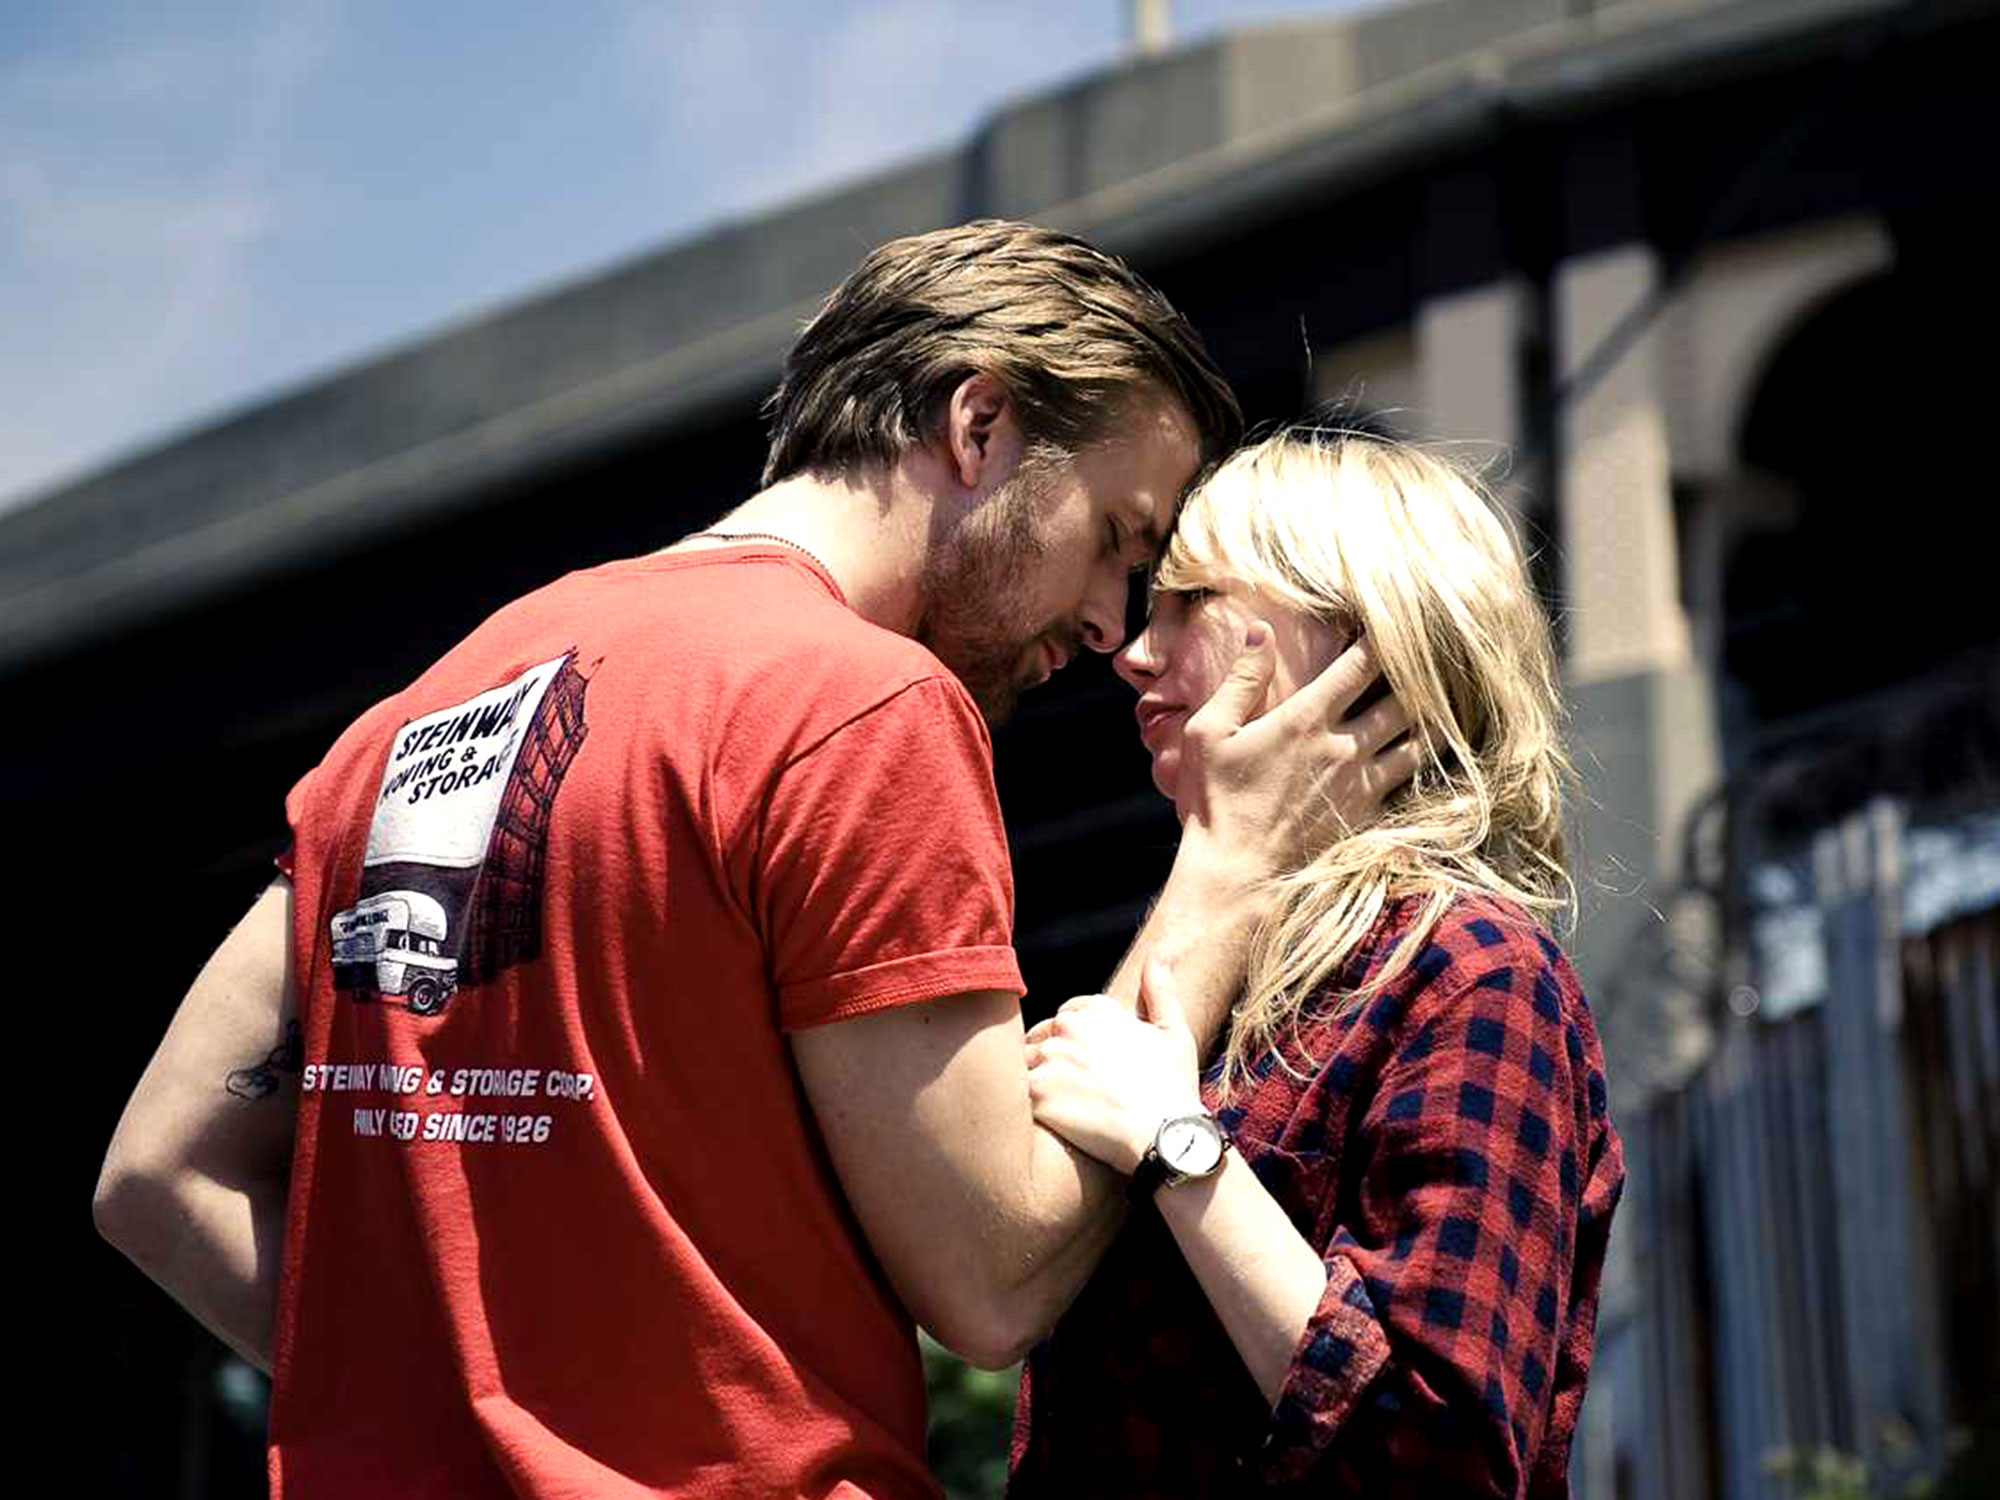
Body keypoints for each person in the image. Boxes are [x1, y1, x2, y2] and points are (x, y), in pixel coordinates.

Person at [92, 222, 1418, 1500]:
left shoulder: (411, 720)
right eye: (1116, 539)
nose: (1106, 622)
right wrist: (1228, 864)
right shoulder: (860, 706)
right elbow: (994, 1279)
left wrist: (458, 1422)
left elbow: (157, 1176)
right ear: (979, 425)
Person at [1012, 417, 1626, 1497]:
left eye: (1189, 600)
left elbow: (1442, 1461)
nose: (1135, 652)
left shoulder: (1469, 968)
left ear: (1358, 633)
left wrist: (1176, 1146)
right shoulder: (1240, 967)